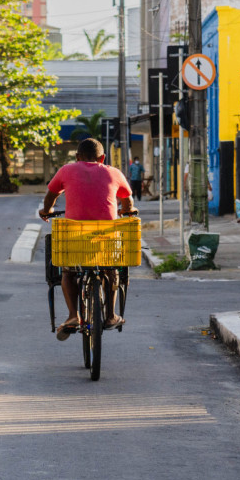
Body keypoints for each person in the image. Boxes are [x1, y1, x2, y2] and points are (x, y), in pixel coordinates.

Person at [39, 138, 137, 341]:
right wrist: (127, 211)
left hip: (75, 236)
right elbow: (127, 201)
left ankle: (73, 316)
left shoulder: (66, 170)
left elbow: (51, 195)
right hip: (106, 236)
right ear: (102, 158)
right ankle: (110, 315)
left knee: (68, 270)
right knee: (111, 270)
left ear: (77, 157)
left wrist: (46, 210)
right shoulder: (113, 172)